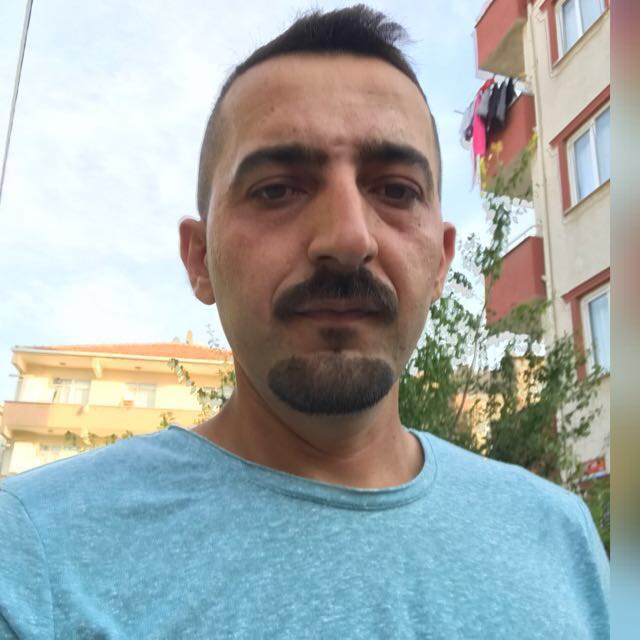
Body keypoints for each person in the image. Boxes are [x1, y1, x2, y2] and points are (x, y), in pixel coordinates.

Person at [0, 6, 608, 639]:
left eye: (395, 190)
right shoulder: (32, 559)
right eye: (277, 189)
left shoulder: (561, 539)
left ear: (441, 263)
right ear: (200, 259)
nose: (347, 238)